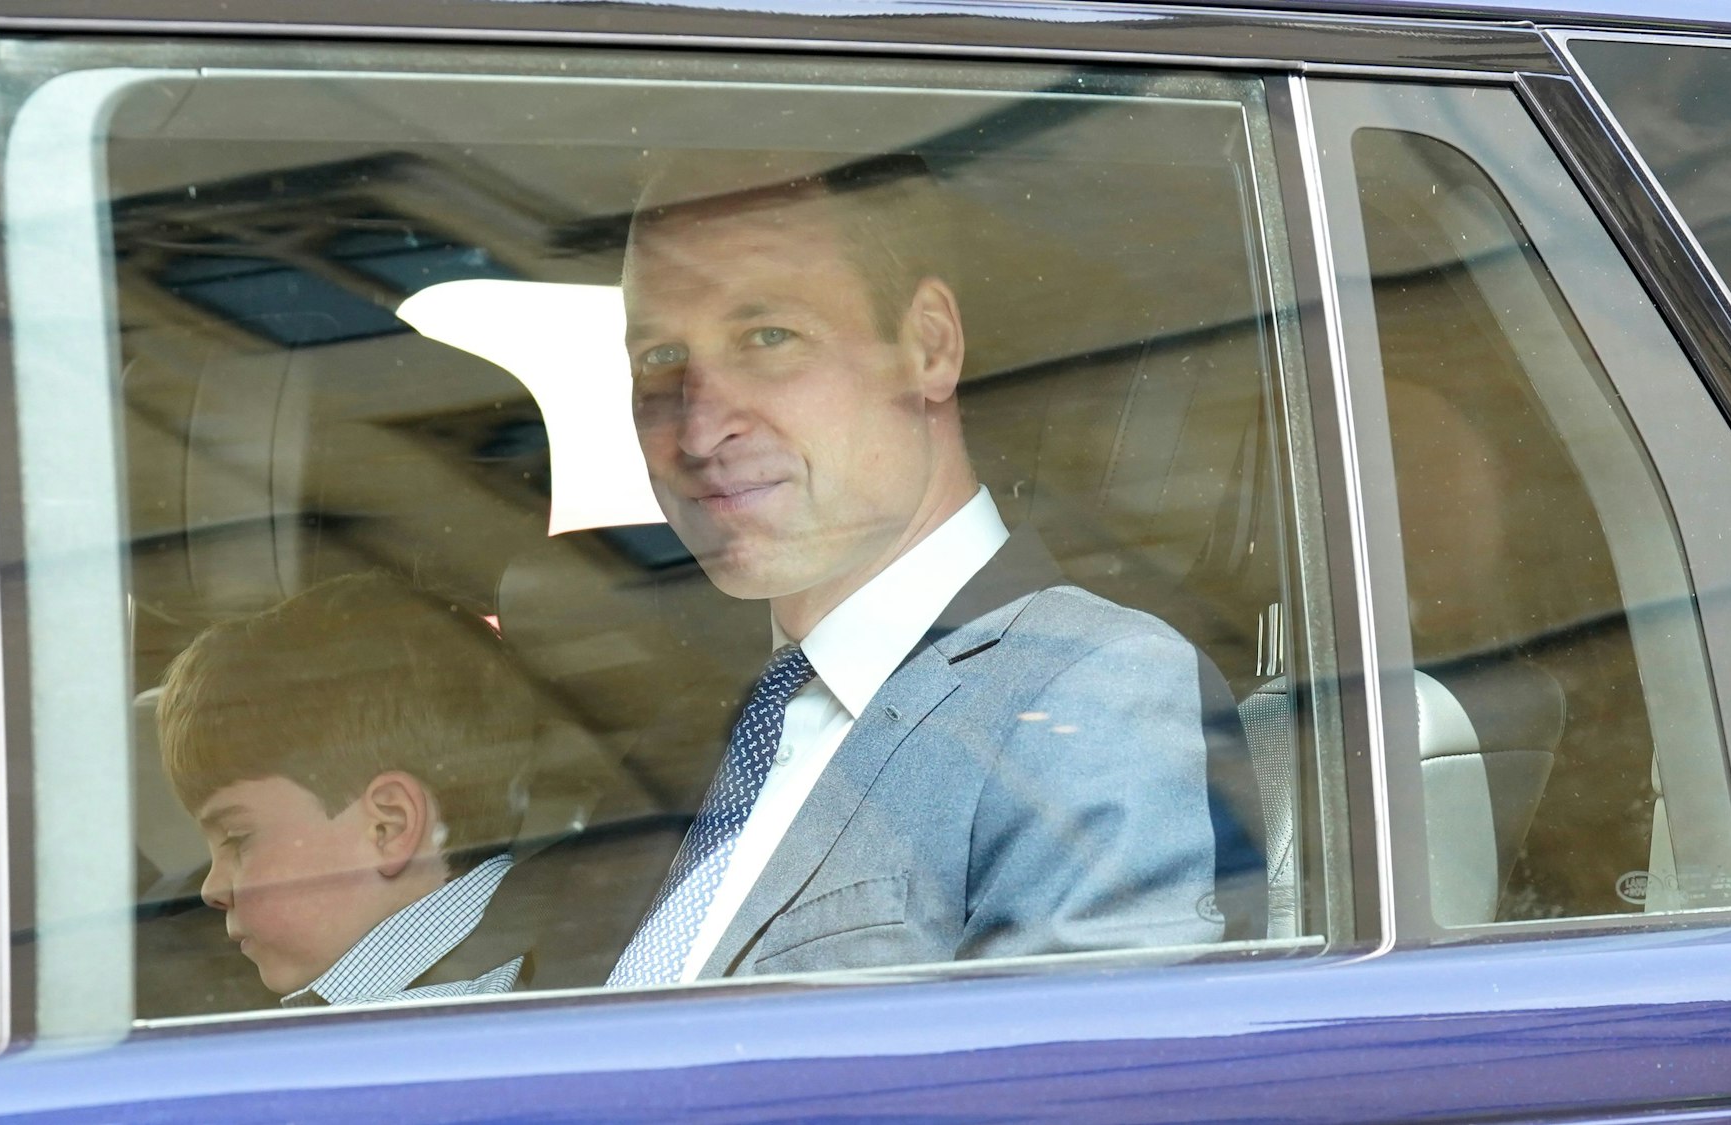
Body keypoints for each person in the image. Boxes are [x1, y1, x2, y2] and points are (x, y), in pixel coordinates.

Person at [592, 151, 1232, 984]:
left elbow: (1063, 1090)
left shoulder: (1086, 687)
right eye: (659, 359)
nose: (699, 425)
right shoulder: (686, 731)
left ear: (928, 346)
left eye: (769, 337)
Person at [156, 572, 540, 1006]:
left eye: (238, 840)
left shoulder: (436, 1028)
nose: (210, 888)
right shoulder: (561, 962)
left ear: (389, 827)